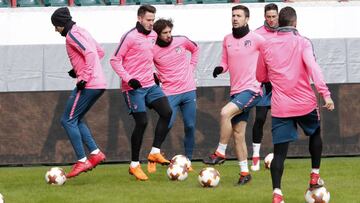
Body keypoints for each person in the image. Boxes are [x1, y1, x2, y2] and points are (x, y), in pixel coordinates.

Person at [256, 6, 335, 203]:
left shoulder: (266, 45)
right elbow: (314, 68)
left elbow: (260, 76)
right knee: (315, 133)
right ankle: (314, 175)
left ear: (278, 22)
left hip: (281, 107)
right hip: (305, 104)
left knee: (279, 152)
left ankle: (277, 194)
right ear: (295, 23)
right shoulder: (303, 42)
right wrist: (326, 94)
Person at [202, 5, 265, 185]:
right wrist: (220, 69)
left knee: (224, 113)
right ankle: (245, 173)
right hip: (236, 91)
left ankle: (220, 152)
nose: (235, 18)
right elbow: (225, 62)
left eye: (239, 15)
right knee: (238, 133)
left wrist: (267, 77)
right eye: (233, 15)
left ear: (247, 19)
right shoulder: (227, 39)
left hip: (252, 89)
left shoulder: (257, 39)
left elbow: (270, 57)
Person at [110, 5, 173, 181]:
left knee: (167, 112)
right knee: (142, 122)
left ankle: (154, 152)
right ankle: (134, 165)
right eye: (148, 20)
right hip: (133, 88)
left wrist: (154, 73)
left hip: (150, 85)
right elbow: (114, 60)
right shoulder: (129, 37)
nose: (151, 23)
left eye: (153, 20)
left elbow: (146, 57)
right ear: (139, 18)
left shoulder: (153, 35)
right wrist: (129, 78)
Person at [51, 7, 107, 178]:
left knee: (67, 120)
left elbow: (90, 53)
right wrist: (77, 70)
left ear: (61, 24)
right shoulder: (82, 31)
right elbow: (100, 52)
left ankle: (82, 160)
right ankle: (95, 153)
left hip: (89, 83)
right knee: (76, 119)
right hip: (99, 83)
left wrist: (83, 76)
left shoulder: (71, 35)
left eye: (56, 26)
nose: (55, 29)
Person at [152, 19, 199, 171]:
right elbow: (145, 64)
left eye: (169, 32)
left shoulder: (182, 41)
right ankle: (154, 154)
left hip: (188, 89)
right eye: (164, 33)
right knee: (168, 124)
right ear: (157, 35)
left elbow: (195, 49)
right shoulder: (152, 49)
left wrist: (191, 68)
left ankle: (188, 161)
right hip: (169, 92)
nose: (168, 35)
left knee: (190, 126)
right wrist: (155, 75)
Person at [250, 3, 279, 172]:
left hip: (279, 84)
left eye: (274, 16)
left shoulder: (284, 32)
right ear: (264, 17)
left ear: (278, 16)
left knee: (279, 121)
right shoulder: (257, 34)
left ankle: (278, 156)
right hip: (262, 84)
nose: (271, 19)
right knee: (260, 119)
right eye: (268, 16)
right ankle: (255, 157)